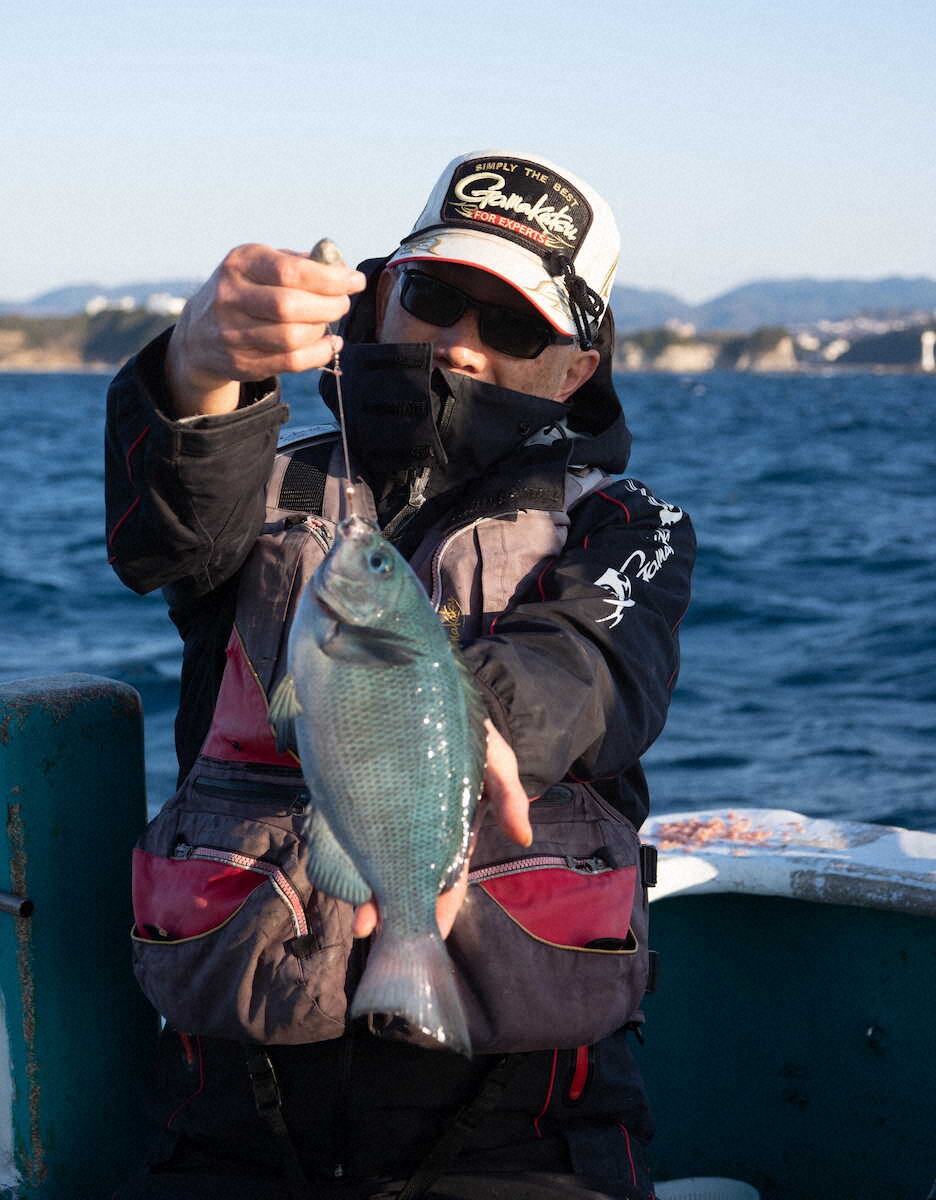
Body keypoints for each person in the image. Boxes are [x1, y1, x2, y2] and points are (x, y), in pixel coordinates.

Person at [106, 150, 695, 1200]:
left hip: (525, 1130)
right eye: (435, 297)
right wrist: (193, 366)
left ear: (577, 367)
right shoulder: (261, 485)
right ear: (381, 299)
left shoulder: (627, 522)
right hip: (231, 1120)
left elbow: (598, 664)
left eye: (513, 326)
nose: (461, 346)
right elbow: (164, 537)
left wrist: (472, 721)